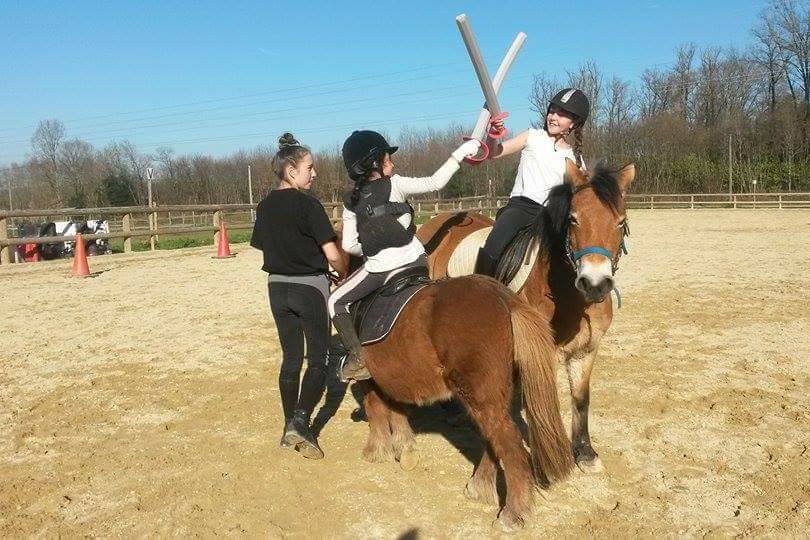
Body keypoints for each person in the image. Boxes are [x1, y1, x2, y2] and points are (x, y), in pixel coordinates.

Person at [329, 131, 481, 381]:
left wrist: (373, 249)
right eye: (387, 158)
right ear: (374, 162)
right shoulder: (396, 184)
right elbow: (435, 182)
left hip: (380, 270)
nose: (392, 163)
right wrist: (461, 153)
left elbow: (349, 245)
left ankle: (358, 359)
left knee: (335, 301)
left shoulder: (349, 201)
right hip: (416, 261)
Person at [251, 133, 348, 458]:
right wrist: (341, 272)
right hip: (310, 288)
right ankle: (302, 421)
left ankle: (287, 426)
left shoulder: (264, 206)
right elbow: (332, 254)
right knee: (318, 359)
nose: (314, 174)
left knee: (291, 358)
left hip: (277, 288)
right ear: (291, 171)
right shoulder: (309, 205)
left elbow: (265, 245)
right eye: (310, 168)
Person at [474, 88, 590, 277]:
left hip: (554, 218)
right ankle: (480, 284)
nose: (553, 117)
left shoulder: (576, 159)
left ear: (574, 123)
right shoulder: (532, 136)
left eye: (562, 114)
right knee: (494, 244)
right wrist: (493, 134)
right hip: (521, 209)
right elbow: (494, 153)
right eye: (552, 111)